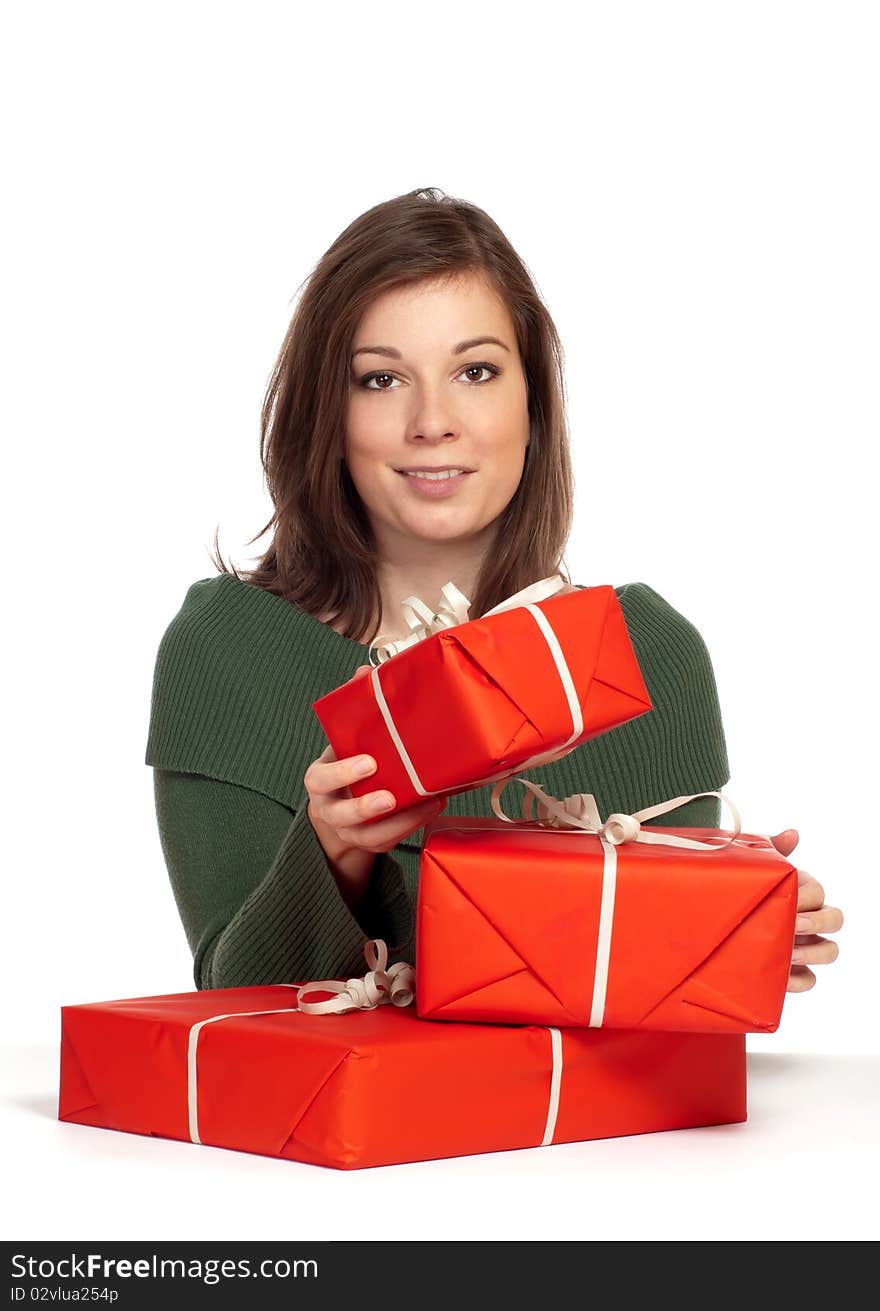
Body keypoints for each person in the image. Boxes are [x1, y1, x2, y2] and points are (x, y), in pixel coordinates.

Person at [145, 186, 842, 995]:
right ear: (325, 412)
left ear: (533, 401)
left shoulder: (646, 654)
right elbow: (233, 1013)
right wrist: (335, 850)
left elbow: (657, 1030)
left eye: (475, 371)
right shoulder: (229, 652)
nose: (432, 421)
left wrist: (734, 936)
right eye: (379, 379)